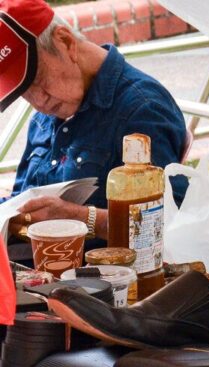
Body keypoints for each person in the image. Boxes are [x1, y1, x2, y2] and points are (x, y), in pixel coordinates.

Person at [0, 0, 187, 244]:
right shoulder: (45, 117)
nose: (38, 102)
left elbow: (173, 223)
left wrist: (81, 218)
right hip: (36, 270)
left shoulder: (142, 108)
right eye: (23, 92)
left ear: (66, 43)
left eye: (37, 80)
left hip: (103, 276)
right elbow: (20, 200)